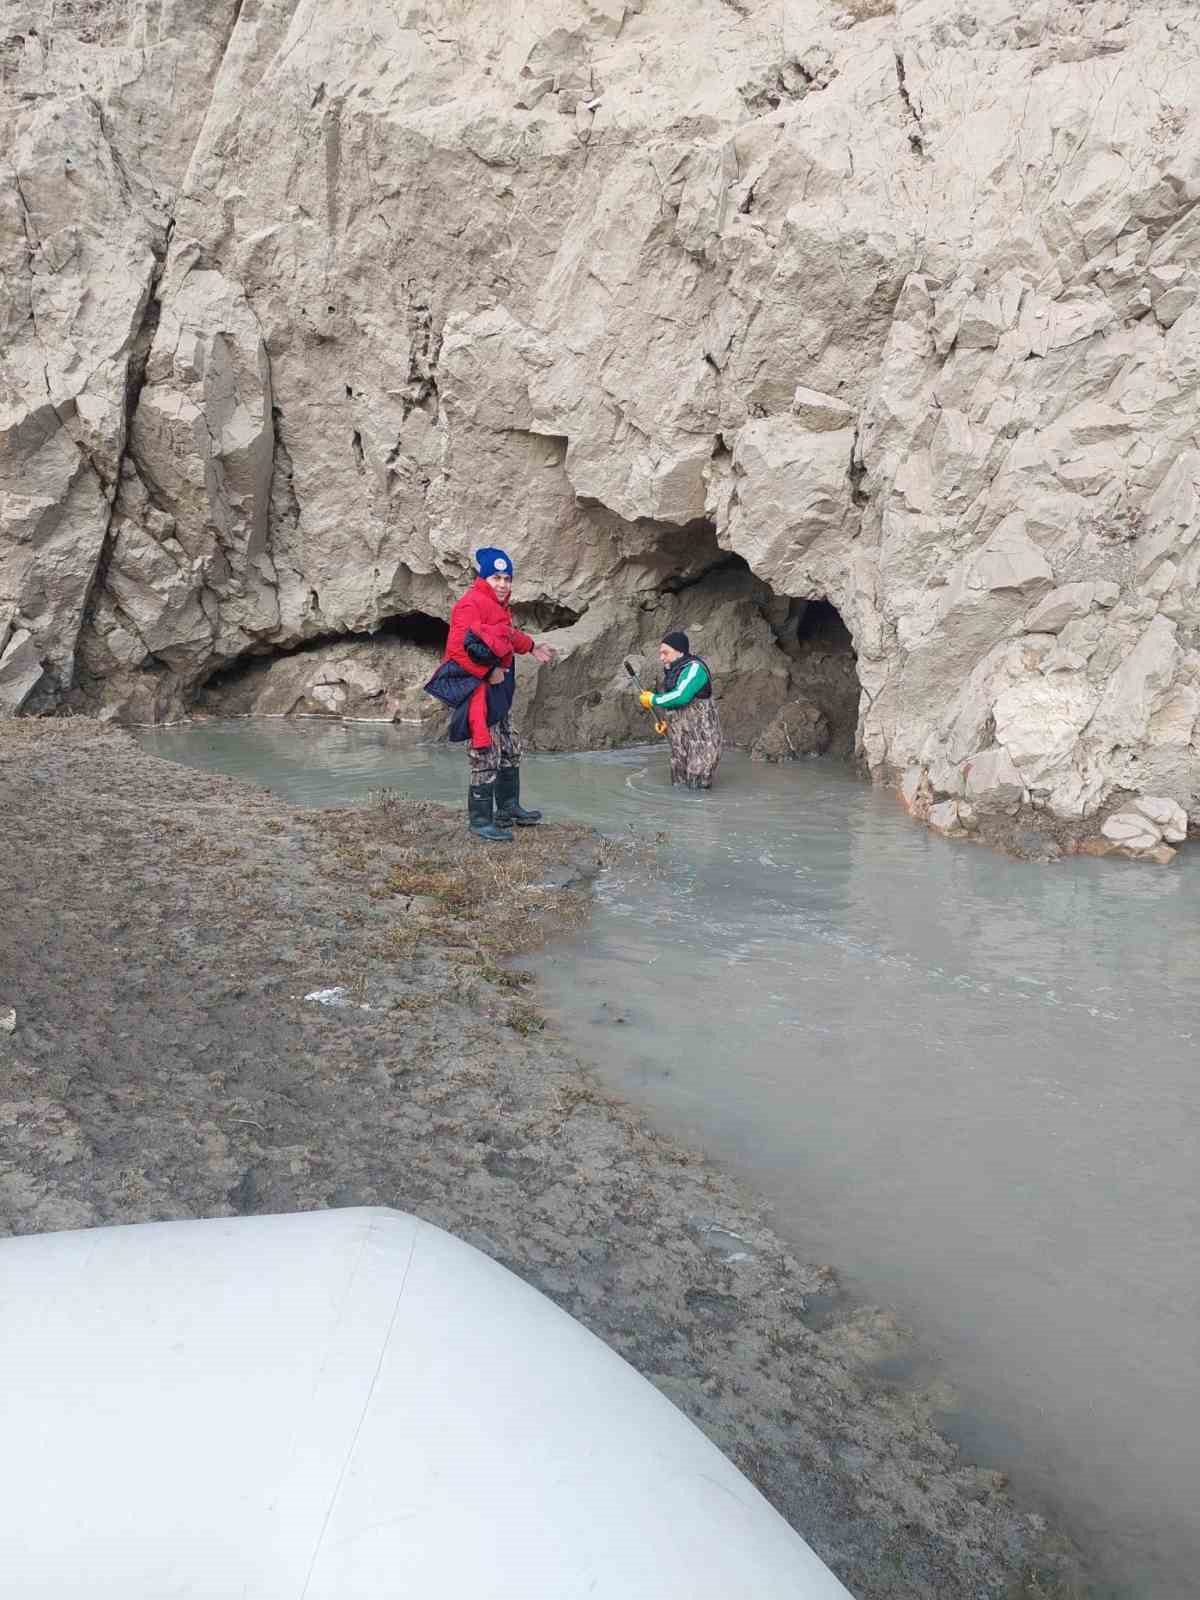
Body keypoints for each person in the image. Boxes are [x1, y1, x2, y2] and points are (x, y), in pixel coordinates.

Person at [426, 548, 555, 842]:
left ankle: (508, 809)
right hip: (479, 693)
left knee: (511, 745)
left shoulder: (498, 606)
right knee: (486, 752)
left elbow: (506, 634)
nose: (503, 584)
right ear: (483, 578)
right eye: (496, 577)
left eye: (507, 578)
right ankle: (480, 821)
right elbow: (458, 650)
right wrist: (486, 673)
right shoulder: (470, 604)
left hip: (500, 691)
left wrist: (532, 646)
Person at [639, 630, 722, 790]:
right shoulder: (673, 671)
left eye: (665, 653)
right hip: (680, 745)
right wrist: (667, 724)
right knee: (678, 787)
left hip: (702, 744)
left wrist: (653, 699)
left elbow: (681, 696)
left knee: (697, 791)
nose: (661, 657)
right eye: (660, 653)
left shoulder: (694, 669)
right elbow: (676, 705)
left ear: (679, 651)